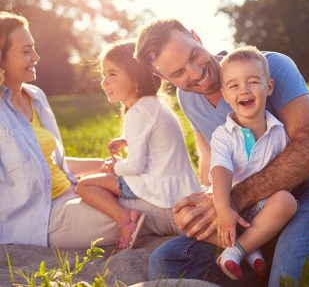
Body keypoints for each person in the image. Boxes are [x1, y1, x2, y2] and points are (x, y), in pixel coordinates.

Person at [135, 18, 309, 286]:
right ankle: (273, 256)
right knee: (168, 262)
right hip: (252, 210)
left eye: (194, 55)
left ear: (197, 37)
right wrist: (206, 205)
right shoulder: (187, 97)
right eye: (178, 74)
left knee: (291, 281)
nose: (195, 73)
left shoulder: (270, 66)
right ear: (164, 79)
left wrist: (231, 200)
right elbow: (212, 157)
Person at [0, 12, 198, 249]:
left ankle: (193, 211)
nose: (36, 56)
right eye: (25, 51)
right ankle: (190, 217)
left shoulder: (36, 97)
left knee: (136, 195)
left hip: (71, 191)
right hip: (44, 215)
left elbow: (54, 164)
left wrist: (107, 167)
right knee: (137, 209)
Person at [76, 41, 201, 251]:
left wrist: (114, 167)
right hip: (181, 185)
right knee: (98, 180)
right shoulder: (154, 105)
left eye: (112, 74)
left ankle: (125, 219)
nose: (104, 82)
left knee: (84, 185)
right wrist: (126, 140)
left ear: (135, 79)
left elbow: (135, 166)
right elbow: (153, 138)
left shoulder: (137, 112)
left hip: (158, 187)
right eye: (104, 75)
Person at [210, 47, 297, 280]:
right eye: (234, 86)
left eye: (252, 82)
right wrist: (223, 208)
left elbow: (286, 175)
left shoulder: (279, 131)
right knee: (191, 215)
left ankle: (236, 250)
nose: (244, 90)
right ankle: (251, 248)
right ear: (225, 95)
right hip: (230, 206)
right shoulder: (223, 134)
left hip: (262, 208)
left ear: (269, 86)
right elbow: (220, 170)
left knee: (287, 201)